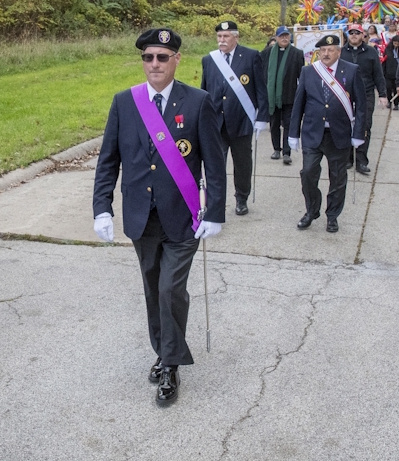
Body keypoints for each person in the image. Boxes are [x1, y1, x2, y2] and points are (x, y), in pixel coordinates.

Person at [93, 28, 227, 406]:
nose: (154, 64)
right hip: (141, 217)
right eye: (148, 57)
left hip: (183, 217)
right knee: (153, 289)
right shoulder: (124, 103)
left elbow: (215, 165)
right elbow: (108, 162)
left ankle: (170, 364)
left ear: (176, 60)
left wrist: (215, 211)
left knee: (170, 289)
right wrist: (101, 207)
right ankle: (163, 350)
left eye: (162, 57)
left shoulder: (198, 102)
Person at [288, 34, 367, 233]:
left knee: (338, 178)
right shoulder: (308, 71)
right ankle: (311, 210)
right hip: (313, 133)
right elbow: (299, 104)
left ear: (338, 52)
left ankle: (332, 216)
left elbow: (362, 105)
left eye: (330, 50)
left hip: (338, 134)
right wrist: (293, 133)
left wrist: (358, 133)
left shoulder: (351, 70)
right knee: (308, 173)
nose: (326, 53)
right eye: (322, 50)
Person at [201, 20, 269, 215]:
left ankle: (241, 198)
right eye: (219, 37)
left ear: (236, 37)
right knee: (215, 165)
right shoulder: (209, 60)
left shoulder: (250, 56)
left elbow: (260, 89)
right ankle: (215, 202)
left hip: (241, 121)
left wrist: (262, 116)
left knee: (242, 164)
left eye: (226, 36)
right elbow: (204, 91)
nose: (222, 40)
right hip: (216, 123)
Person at [340, 24, 387, 175]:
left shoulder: (371, 52)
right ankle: (348, 159)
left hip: (365, 94)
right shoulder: (340, 52)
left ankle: (361, 161)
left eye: (357, 32)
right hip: (345, 94)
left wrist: (382, 94)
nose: (354, 35)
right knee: (346, 126)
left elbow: (378, 74)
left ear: (363, 35)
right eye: (351, 32)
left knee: (364, 126)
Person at [259, 26, 304, 165]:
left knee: (288, 124)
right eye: (281, 36)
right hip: (271, 97)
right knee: (274, 124)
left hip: (289, 96)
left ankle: (286, 152)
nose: (284, 38)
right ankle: (276, 149)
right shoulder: (266, 53)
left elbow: (301, 76)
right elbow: (261, 74)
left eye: (286, 36)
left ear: (290, 37)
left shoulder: (297, 53)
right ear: (276, 38)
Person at [383, 34, 399, 111]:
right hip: (388, 73)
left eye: (397, 43)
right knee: (388, 88)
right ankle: (389, 101)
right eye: (394, 43)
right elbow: (384, 61)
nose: (396, 45)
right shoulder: (387, 50)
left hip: (398, 74)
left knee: (397, 89)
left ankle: (396, 104)